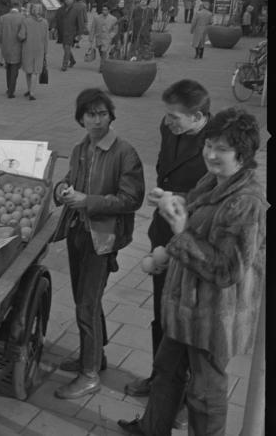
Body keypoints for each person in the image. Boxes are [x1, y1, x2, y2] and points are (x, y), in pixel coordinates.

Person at [118, 107, 265, 436]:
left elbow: (227, 270)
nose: (210, 154)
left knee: (205, 395)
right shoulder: (214, 179)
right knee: (166, 371)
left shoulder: (246, 202)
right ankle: (152, 429)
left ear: (242, 155)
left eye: (221, 149)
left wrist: (181, 232)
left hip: (213, 318)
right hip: (185, 307)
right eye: (208, 145)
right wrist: (173, 199)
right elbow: (200, 209)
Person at [121, 79, 211, 431]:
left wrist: (177, 199)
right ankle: (160, 379)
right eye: (167, 115)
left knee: (183, 322)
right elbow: (165, 167)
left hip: (192, 240)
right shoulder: (168, 126)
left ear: (198, 117)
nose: (168, 122)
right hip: (163, 232)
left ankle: (183, 394)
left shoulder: (215, 145)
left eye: (176, 117)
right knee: (161, 313)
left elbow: (214, 199)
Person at [51, 88, 145, 400]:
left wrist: (87, 201)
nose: (97, 120)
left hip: (102, 238)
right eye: (90, 114)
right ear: (81, 118)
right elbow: (70, 180)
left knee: (87, 304)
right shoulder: (81, 148)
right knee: (84, 298)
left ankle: (89, 374)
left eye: (102, 113)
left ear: (111, 116)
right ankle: (94, 356)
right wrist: (62, 190)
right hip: (78, 231)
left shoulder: (124, 152)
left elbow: (131, 199)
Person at [0, 1, 26, 99]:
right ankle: (11, 91)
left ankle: (9, 88)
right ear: (19, 7)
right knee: (14, 69)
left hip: (6, 46)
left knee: (8, 67)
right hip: (17, 46)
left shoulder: (3, 18)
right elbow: (22, 35)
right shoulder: (22, 18)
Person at [21, 3, 49, 99]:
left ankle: (29, 89)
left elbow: (22, 36)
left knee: (28, 70)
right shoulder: (45, 22)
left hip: (27, 48)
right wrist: (45, 50)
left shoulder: (26, 21)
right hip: (39, 49)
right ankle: (32, 92)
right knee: (35, 71)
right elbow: (46, 38)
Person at [58, 0, 86, 71]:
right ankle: (72, 60)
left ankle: (64, 65)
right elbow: (58, 19)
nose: (67, 1)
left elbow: (80, 22)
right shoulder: (62, 9)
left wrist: (79, 34)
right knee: (65, 47)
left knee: (67, 48)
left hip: (71, 32)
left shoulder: (76, 9)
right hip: (63, 32)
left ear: (72, 0)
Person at [89, 5, 118, 72]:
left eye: (105, 10)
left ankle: (102, 68)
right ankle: (105, 63)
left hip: (107, 38)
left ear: (109, 11)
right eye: (103, 10)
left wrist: (111, 36)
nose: (104, 11)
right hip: (99, 38)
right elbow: (93, 28)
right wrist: (91, 37)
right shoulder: (97, 18)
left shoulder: (113, 19)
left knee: (104, 52)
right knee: (101, 52)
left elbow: (115, 29)